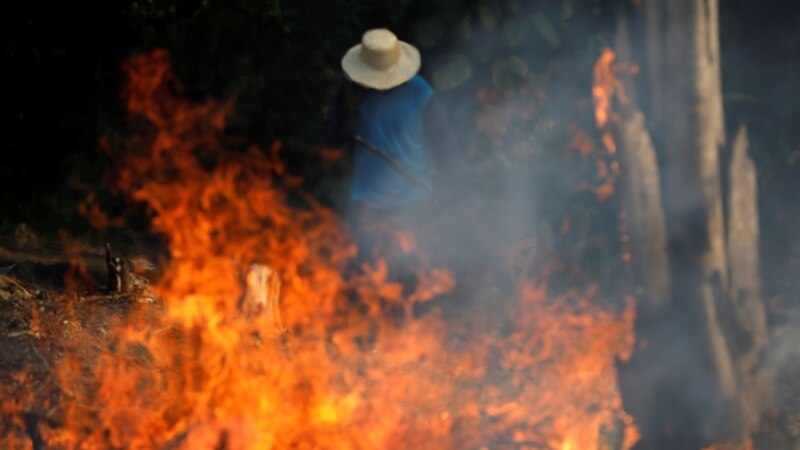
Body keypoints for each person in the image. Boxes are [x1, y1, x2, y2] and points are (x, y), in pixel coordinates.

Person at [324, 28, 459, 268]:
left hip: (413, 201)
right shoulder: (353, 92)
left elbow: (444, 146)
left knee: (408, 274)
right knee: (365, 273)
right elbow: (333, 140)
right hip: (367, 201)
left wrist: (448, 189)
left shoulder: (421, 94)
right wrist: (351, 109)